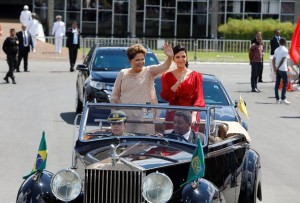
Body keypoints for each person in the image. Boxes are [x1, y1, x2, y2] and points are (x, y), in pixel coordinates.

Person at [110, 43, 174, 134]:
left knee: (144, 143)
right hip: (126, 117)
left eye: (142, 59)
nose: (141, 62)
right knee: (127, 143)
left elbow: (164, 67)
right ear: (130, 60)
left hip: (145, 116)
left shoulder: (149, 71)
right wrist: (115, 116)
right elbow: (114, 97)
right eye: (137, 60)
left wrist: (170, 58)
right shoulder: (123, 74)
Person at [160, 44, 205, 130]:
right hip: (173, 116)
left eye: (183, 56)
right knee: (172, 141)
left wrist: (194, 115)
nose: (181, 59)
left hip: (191, 116)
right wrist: (178, 82)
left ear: (187, 58)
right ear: (173, 59)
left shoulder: (196, 75)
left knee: (190, 140)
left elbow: (199, 97)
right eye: (177, 57)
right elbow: (166, 96)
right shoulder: (166, 76)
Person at [272, 38, 290, 104]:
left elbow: (273, 59)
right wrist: (279, 67)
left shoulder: (276, 49)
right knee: (285, 83)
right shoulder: (285, 50)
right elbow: (283, 60)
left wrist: (275, 68)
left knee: (277, 83)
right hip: (283, 69)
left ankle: (277, 99)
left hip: (277, 69)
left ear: (279, 42)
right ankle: (283, 98)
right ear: (285, 43)